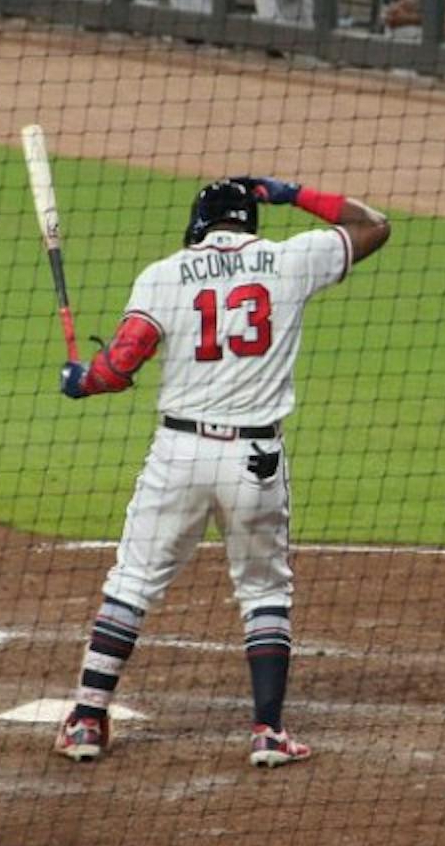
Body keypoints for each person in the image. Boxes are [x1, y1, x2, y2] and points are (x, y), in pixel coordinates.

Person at [53, 176, 392, 767]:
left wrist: (83, 380)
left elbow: (122, 362)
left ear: (198, 224)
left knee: (133, 581)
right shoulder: (290, 260)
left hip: (178, 456)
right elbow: (373, 225)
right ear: (249, 221)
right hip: (255, 461)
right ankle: (267, 733)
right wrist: (291, 194)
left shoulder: (163, 273)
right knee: (264, 590)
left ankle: (86, 719)